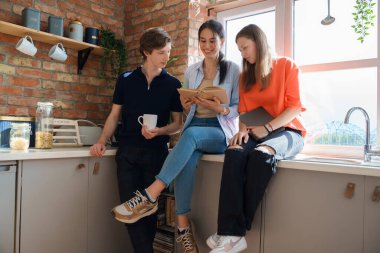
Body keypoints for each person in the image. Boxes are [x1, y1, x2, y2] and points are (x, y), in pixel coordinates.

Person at [111, 19, 240, 253]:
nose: (207, 45)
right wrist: (187, 102)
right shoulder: (192, 71)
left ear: (222, 41)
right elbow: (184, 113)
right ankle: (183, 227)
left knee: (188, 138)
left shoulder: (233, 69)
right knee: (186, 164)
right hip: (194, 127)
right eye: (203, 41)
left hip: (219, 130)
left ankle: (150, 194)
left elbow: (239, 108)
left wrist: (218, 107)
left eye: (213, 40)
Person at [206, 24, 307, 253]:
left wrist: (268, 127)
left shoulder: (286, 66)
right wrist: (241, 130)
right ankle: (231, 233)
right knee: (233, 150)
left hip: (288, 131)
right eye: (240, 50)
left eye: (245, 47)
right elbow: (244, 112)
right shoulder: (246, 77)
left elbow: (294, 108)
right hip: (256, 131)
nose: (243, 54)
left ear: (258, 42)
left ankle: (234, 230)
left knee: (261, 155)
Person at [90, 27, 183, 253]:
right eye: (162, 52)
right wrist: (102, 140)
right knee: (129, 213)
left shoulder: (173, 84)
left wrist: (160, 131)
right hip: (128, 154)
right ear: (146, 52)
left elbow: (177, 124)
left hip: (157, 156)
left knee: (149, 214)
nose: (167, 56)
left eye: (169, 51)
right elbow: (114, 116)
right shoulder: (126, 80)